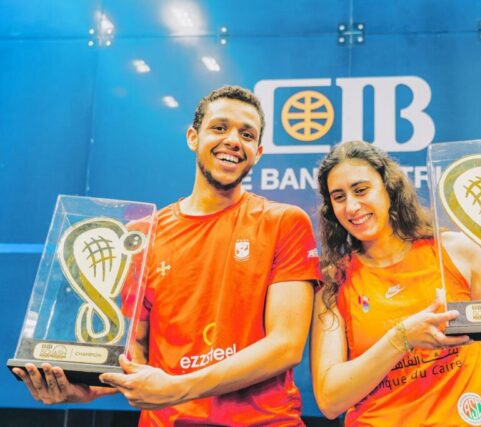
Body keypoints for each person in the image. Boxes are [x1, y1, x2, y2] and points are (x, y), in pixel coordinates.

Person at [13, 85, 321, 426]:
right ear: (193, 137)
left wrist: (179, 388)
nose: (234, 140)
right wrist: (88, 388)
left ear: (258, 152)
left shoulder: (284, 222)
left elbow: (286, 346)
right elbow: (139, 354)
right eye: (220, 128)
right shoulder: (144, 235)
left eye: (247, 134)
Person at [310, 140, 481, 426]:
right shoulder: (335, 280)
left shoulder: (454, 251)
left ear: (389, 188)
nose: (352, 206)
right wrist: (402, 338)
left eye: (361, 190)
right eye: (339, 197)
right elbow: (330, 399)